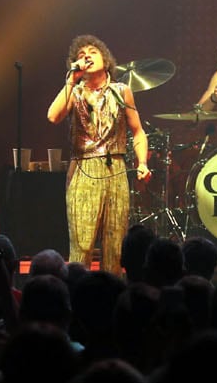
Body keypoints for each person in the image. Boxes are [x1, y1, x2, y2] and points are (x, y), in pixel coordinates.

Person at [48, 35, 150, 274]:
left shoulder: (122, 91)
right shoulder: (74, 93)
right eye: (81, 55)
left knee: (115, 246)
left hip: (116, 169)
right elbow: (53, 116)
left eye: (92, 52)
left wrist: (142, 162)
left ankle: (113, 299)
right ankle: (76, 296)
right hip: (84, 170)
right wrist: (71, 82)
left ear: (106, 59)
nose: (86, 56)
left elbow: (138, 131)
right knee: (82, 245)